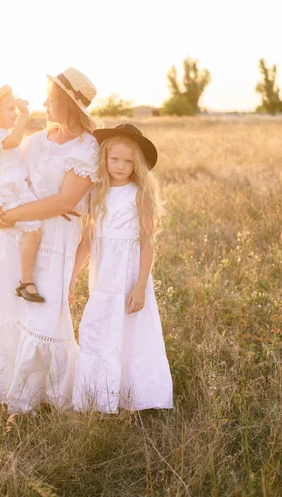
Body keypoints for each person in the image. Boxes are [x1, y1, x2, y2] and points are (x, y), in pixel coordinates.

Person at [0, 68, 99, 414]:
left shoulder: (87, 148)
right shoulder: (37, 140)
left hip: (56, 239)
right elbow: (8, 176)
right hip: (18, 235)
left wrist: (13, 214)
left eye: (51, 97)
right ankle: (9, 385)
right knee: (12, 306)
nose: (45, 103)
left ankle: (48, 394)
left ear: (68, 104)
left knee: (45, 313)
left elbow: (64, 202)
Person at [69, 124, 173, 413]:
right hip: (103, 277)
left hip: (129, 276)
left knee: (130, 332)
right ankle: (97, 397)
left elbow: (146, 241)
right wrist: (70, 278)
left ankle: (133, 395)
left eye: (128, 161)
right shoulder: (95, 192)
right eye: (115, 159)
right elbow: (88, 241)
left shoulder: (138, 193)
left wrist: (140, 286)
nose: (121, 166)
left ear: (136, 163)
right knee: (97, 329)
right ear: (104, 157)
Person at [0, 84, 44, 302]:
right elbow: (14, 141)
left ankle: (24, 279)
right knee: (34, 231)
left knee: (29, 234)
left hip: (12, 191)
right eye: (10, 109)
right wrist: (25, 115)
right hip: (10, 194)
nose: (15, 113)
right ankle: (26, 281)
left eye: (16, 109)